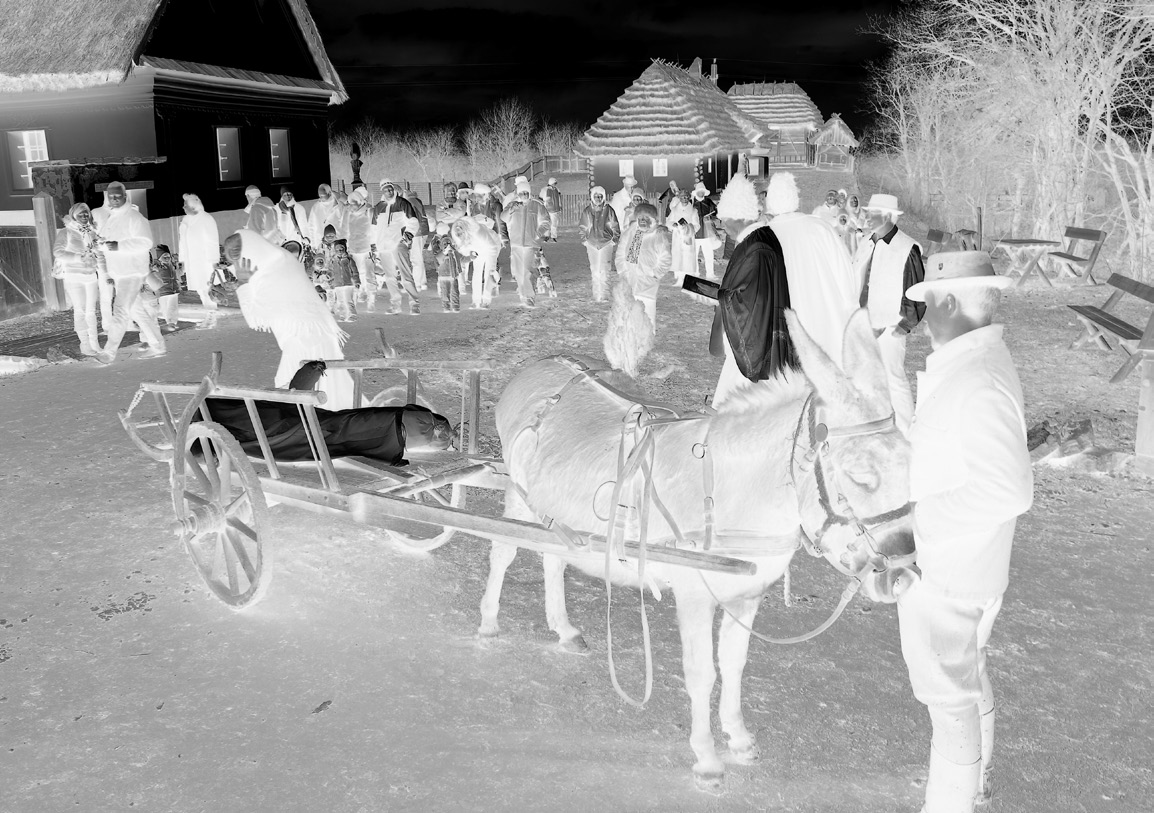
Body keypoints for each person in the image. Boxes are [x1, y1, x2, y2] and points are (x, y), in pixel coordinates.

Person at [900, 250, 1032, 813]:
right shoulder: (972, 361)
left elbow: (1009, 490)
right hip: (963, 563)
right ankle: (970, 787)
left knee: (948, 696)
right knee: (965, 676)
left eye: (928, 304)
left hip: (951, 570)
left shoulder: (979, 378)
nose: (925, 317)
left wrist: (920, 521)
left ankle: (951, 802)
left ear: (950, 301)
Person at [227, 230, 359, 410]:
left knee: (291, 394)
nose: (237, 265)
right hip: (324, 334)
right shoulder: (283, 259)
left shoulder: (266, 273)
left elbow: (254, 317)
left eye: (237, 259)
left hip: (301, 341)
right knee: (332, 391)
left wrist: (243, 284)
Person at [709, 174, 795, 408]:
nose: (722, 226)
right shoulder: (759, 239)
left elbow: (750, 300)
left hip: (755, 345)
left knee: (739, 410)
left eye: (724, 220)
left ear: (737, 216)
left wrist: (721, 297)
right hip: (760, 338)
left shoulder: (755, 247)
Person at [763, 172, 859, 365]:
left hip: (782, 326)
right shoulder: (820, 227)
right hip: (825, 320)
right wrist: (850, 311)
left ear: (769, 204)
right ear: (796, 199)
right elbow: (846, 275)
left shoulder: (763, 236)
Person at [853, 192, 926, 434]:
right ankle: (874, 426)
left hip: (891, 324)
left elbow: (915, 289)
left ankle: (908, 432)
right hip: (863, 322)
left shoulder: (907, 247)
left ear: (886, 216)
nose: (867, 218)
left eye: (872, 214)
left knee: (894, 380)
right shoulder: (866, 242)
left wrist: (905, 324)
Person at [91, 181, 166, 363]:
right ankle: (157, 345)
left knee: (120, 310)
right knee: (136, 310)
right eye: (111, 196)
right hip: (119, 271)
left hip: (132, 271)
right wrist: (101, 245)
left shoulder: (135, 217)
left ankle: (109, 353)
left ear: (125, 196)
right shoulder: (111, 218)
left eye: (117, 196)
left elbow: (146, 242)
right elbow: (110, 243)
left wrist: (118, 246)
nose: (114, 199)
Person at [52, 202, 104, 356]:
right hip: (74, 276)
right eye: (80, 213)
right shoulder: (66, 232)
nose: (84, 216)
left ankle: (95, 343)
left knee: (91, 311)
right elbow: (58, 252)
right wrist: (79, 257)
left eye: (86, 213)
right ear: (74, 214)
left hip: (91, 275)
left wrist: (99, 248)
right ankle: (85, 344)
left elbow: (98, 251)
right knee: (80, 311)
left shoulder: (91, 231)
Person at [613, 202, 671, 333]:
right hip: (629, 279)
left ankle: (648, 339)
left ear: (653, 220)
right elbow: (621, 252)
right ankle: (632, 338)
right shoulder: (630, 232)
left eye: (646, 218)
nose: (643, 221)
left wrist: (654, 274)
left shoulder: (658, 235)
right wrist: (622, 270)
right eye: (640, 218)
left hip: (647, 283)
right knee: (629, 312)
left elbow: (665, 259)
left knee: (647, 314)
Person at [371, 179, 422, 315]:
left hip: (398, 244)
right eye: (386, 189)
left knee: (406, 274)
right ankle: (395, 304)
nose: (389, 191)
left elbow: (413, 221)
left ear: (393, 189)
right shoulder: (378, 207)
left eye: (390, 189)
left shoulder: (403, 203)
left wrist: (407, 237)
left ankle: (414, 303)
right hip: (383, 246)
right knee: (389, 276)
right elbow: (374, 228)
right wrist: (374, 244)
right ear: (382, 191)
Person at [177, 193, 222, 330]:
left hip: (205, 261)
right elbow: (182, 242)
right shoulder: (186, 220)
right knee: (200, 289)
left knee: (207, 288)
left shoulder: (206, 219)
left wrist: (214, 260)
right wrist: (182, 260)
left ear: (193, 207)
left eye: (186, 205)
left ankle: (211, 316)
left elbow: (212, 241)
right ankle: (209, 314)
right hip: (193, 261)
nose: (183, 207)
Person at [504, 180, 550, 308]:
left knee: (529, 270)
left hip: (531, 244)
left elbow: (546, 221)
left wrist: (538, 233)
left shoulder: (537, 205)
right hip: (516, 243)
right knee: (519, 271)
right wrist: (511, 209)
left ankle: (529, 296)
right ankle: (523, 293)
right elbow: (503, 217)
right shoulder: (513, 205)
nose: (524, 195)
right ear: (518, 194)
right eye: (521, 193)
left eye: (526, 193)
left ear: (529, 193)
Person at [577, 185, 621, 303]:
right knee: (595, 269)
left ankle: (605, 293)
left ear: (603, 197)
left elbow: (615, 226)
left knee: (605, 269)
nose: (598, 198)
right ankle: (597, 293)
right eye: (596, 196)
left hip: (606, 243)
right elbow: (583, 226)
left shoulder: (609, 210)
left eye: (600, 196)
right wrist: (585, 240)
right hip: (592, 244)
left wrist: (614, 239)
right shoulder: (587, 210)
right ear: (592, 197)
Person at [449, 213, 502, 310]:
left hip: (492, 246)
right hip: (477, 249)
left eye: (461, 233)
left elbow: (492, 247)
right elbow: (464, 250)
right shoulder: (459, 237)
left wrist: (492, 265)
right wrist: (471, 254)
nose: (459, 235)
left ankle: (486, 299)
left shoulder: (478, 232)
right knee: (477, 272)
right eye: (458, 234)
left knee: (488, 273)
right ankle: (476, 300)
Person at [344, 187, 377, 313]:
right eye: (350, 203)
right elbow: (346, 231)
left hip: (367, 248)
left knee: (370, 274)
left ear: (360, 202)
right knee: (357, 274)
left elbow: (374, 230)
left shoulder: (369, 212)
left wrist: (374, 245)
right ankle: (359, 294)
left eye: (354, 203)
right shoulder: (348, 214)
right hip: (353, 248)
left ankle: (371, 299)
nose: (352, 206)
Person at [472, 183, 505, 295]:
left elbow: (501, 222)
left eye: (479, 196)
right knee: (481, 262)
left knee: (493, 263)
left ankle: (495, 283)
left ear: (486, 195)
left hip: (493, 236)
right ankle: (485, 284)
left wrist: (503, 237)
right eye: (476, 196)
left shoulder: (496, 205)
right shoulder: (475, 206)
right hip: (480, 238)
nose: (477, 198)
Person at [666, 187, 699, 286]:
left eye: (686, 197)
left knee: (688, 257)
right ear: (679, 198)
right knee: (678, 257)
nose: (684, 198)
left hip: (687, 236)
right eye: (682, 197)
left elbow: (697, 225)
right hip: (677, 236)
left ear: (689, 197)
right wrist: (673, 225)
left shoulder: (693, 211)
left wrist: (689, 227)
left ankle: (688, 280)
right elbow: (668, 221)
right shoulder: (675, 210)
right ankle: (680, 279)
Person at [401, 188, 431, 291]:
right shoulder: (416, 201)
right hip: (422, 231)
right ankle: (422, 282)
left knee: (415, 259)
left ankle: (416, 284)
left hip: (417, 232)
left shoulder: (409, 202)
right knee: (418, 257)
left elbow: (413, 219)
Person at [691, 181, 721, 281]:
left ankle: (710, 274)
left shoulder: (709, 202)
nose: (701, 193)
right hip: (695, 234)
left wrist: (712, 216)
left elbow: (716, 213)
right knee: (693, 255)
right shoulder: (692, 203)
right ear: (696, 192)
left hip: (707, 233)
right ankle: (695, 273)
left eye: (702, 191)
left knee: (709, 255)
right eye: (699, 191)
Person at [149, 244, 182, 332]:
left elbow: (179, 273)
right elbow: (154, 272)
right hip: (163, 290)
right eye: (164, 256)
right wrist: (155, 268)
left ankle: (172, 322)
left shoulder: (172, 265)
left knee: (173, 306)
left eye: (168, 256)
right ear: (159, 257)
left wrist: (179, 265)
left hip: (174, 289)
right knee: (165, 307)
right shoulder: (157, 265)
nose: (167, 258)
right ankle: (169, 320)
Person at [326, 237, 360, 323]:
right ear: (335, 250)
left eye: (342, 248)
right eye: (337, 249)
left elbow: (354, 271)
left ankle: (352, 314)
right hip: (337, 284)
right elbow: (330, 271)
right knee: (340, 300)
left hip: (348, 283)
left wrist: (356, 281)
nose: (340, 250)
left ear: (345, 249)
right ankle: (343, 315)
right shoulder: (332, 260)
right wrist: (330, 280)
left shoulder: (349, 259)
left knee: (349, 300)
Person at [432, 221, 463, 313]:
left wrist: (471, 257)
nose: (448, 245)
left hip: (454, 275)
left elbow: (462, 259)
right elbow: (437, 259)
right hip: (444, 276)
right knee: (445, 292)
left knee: (455, 291)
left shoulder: (454, 253)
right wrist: (445, 252)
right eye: (445, 244)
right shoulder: (440, 252)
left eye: (449, 243)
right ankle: (446, 306)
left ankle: (456, 305)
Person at [542, 177, 562, 241]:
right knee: (547, 223)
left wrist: (560, 206)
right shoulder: (546, 190)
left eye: (555, 183)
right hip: (548, 209)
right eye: (554, 183)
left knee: (554, 223)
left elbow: (559, 199)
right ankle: (546, 236)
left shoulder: (557, 190)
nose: (555, 184)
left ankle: (553, 236)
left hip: (555, 210)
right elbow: (544, 199)